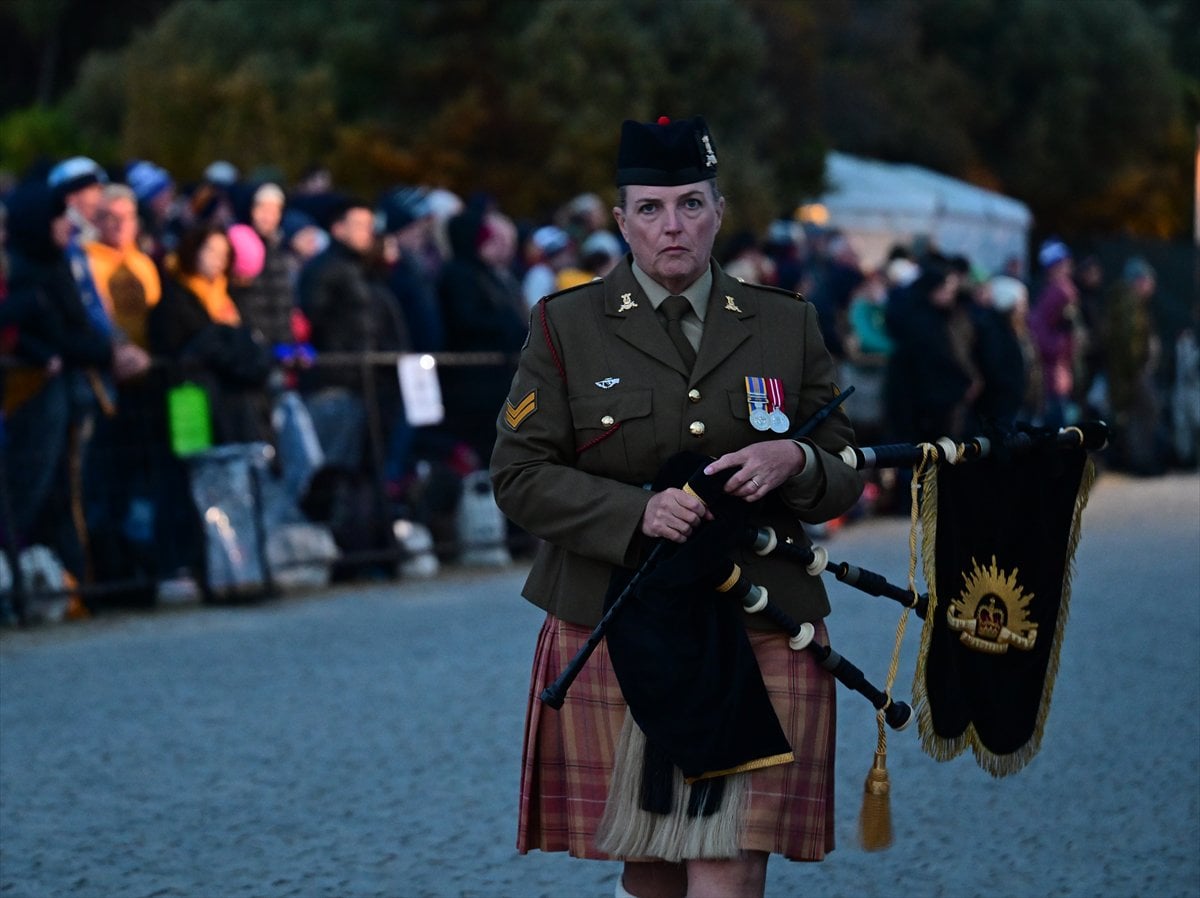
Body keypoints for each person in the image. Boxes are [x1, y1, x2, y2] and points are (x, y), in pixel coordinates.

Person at [490, 116, 862, 898]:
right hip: (618, 617)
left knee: (731, 860)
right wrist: (635, 513)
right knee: (652, 869)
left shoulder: (786, 322)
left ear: (719, 212)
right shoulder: (565, 326)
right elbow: (519, 475)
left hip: (763, 617)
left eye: (691, 203)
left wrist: (795, 459)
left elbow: (844, 474)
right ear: (621, 220)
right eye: (651, 208)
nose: (673, 225)